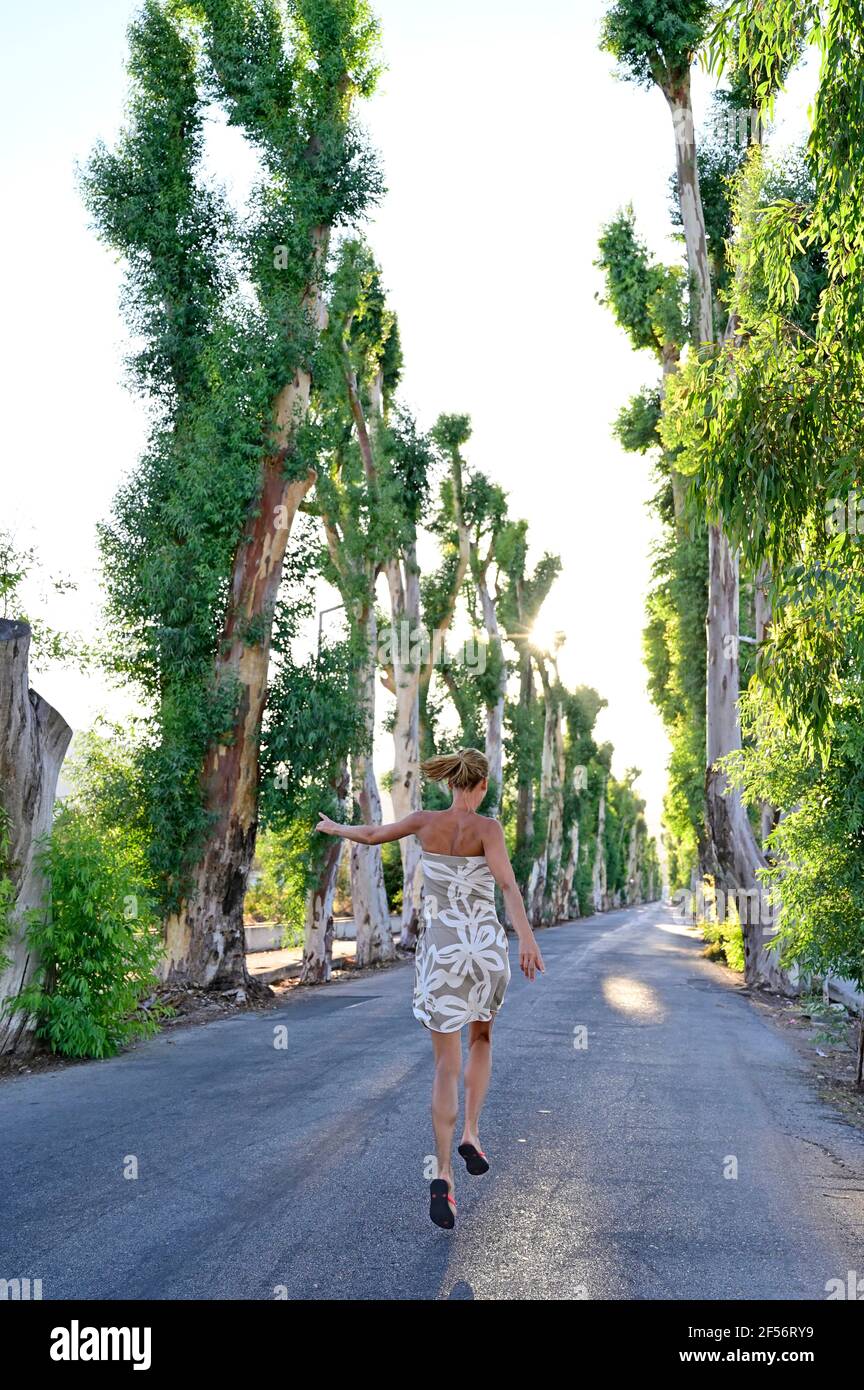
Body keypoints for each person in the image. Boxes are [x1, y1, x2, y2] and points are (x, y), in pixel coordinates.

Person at [316, 746, 545, 1229]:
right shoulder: (489, 830)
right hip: (483, 950)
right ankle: (473, 1133)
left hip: (442, 953)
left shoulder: (424, 822)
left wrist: (338, 830)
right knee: (482, 1038)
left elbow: (375, 835)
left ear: (452, 783)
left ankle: (443, 1174)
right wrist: (526, 939)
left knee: (446, 1062)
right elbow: (507, 886)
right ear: (481, 786)